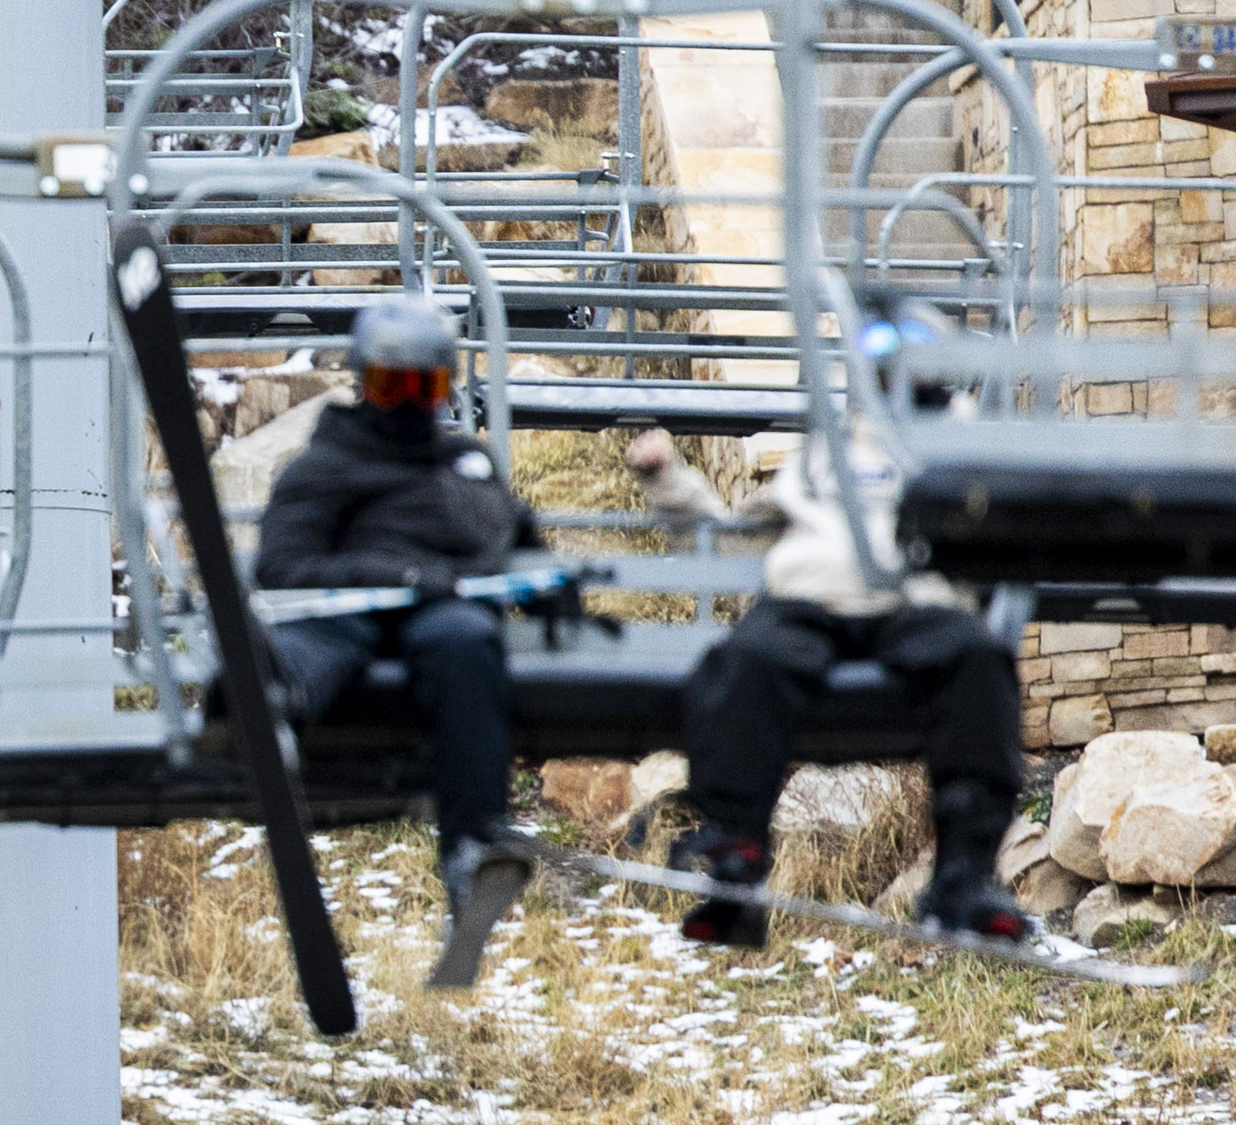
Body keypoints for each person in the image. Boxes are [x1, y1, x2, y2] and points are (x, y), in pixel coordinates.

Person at [627, 295, 1026, 947]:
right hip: (808, 600)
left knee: (978, 661)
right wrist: (671, 484)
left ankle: (965, 870)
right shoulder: (833, 449)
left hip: (913, 601)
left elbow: (1004, 536)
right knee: (745, 659)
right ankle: (736, 859)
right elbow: (741, 540)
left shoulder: (963, 447)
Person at [257, 295, 541, 923]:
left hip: (445, 611)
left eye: (424, 387)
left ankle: (472, 844)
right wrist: (399, 576)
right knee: (322, 640)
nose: (409, 404)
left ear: (444, 388)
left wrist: (545, 583)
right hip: (349, 609)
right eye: (393, 387)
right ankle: (265, 708)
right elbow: (281, 568)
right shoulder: (326, 466)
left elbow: (511, 535)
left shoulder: (462, 463)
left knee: (464, 641)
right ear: (364, 385)